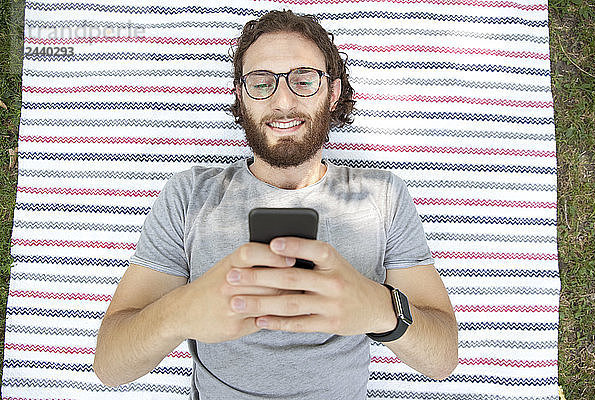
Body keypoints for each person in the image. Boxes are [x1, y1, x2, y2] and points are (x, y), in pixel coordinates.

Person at [93, 10, 458, 399]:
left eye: (303, 80)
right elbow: (110, 366)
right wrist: (180, 312)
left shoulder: (384, 196)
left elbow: (442, 359)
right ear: (240, 95)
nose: (283, 101)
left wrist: (378, 309)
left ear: (333, 93)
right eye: (261, 83)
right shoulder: (189, 195)